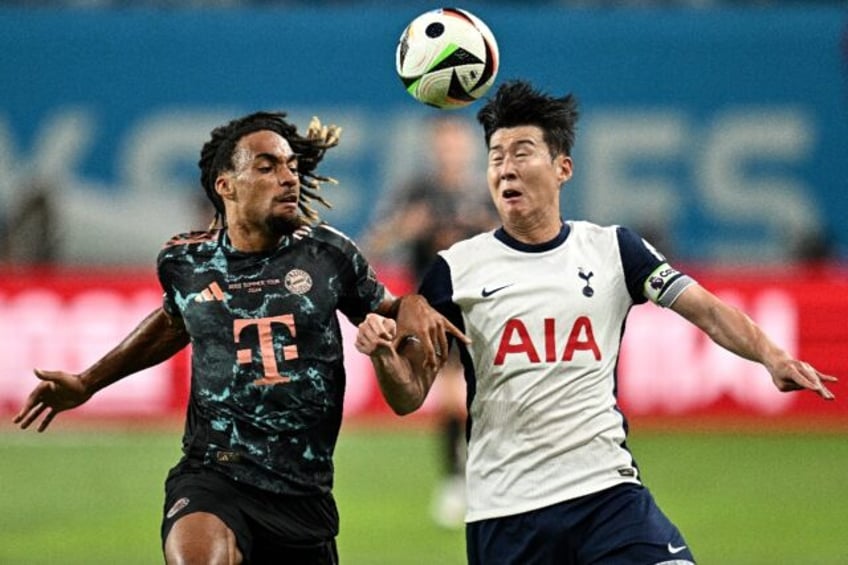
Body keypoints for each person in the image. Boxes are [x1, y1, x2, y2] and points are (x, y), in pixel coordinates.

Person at [354, 81, 838, 565]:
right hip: (507, 512)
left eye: (522, 153)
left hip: (607, 495)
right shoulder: (456, 269)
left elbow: (707, 311)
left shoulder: (613, 250)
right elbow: (408, 398)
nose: (506, 168)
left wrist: (771, 356)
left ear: (563, 168)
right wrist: (384, 355)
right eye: (496, 156)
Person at [13, 111, 461, 565]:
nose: (287, 178)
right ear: (225, 185)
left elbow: (392, 312)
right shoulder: (186, 262)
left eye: (290, 166)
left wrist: (414, 305)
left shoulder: (329, 255)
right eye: (266, 167)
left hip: (303, 495)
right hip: (213, 475)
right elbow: (174, 321)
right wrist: (88, 382)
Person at [363, 115, 499, 529]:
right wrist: (407, 227)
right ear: (432, 149)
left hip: (483, 306)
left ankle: (481, 475)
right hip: (431, 308)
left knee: (485, 398)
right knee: (449, 396)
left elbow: (516, 239)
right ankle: (455, 480)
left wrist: (485, 230)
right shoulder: (416, 192)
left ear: (469, 150)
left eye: (456, 145)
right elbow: (372, 243)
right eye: (443, 145)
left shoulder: (486, 193)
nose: (450, 152)